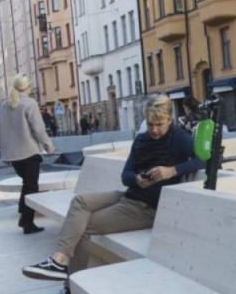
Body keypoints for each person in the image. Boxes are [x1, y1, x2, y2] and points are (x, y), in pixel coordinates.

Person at [22, 95, 201, 285]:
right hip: (130, 196)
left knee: (82, 227)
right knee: (79, 202)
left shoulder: (180, 138)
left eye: (160, 124)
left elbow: (206, 159)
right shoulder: (141, 140)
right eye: (150, 124)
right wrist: (137, 179)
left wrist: (172, 170)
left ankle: (70, 285)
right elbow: (126, 175)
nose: (155, 130)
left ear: (170, 120)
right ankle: (59, 261)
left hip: (146, 208)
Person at [0, 75, 55, 234]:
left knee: (27, 184)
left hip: (13, 154)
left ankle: (24, 215)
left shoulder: (4, 105)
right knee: (31, 186)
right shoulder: (29, 103)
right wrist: (48, 145)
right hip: (28, 152)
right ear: (28, 87)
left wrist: (2, 148)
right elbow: (38, 129)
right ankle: (27, 222)